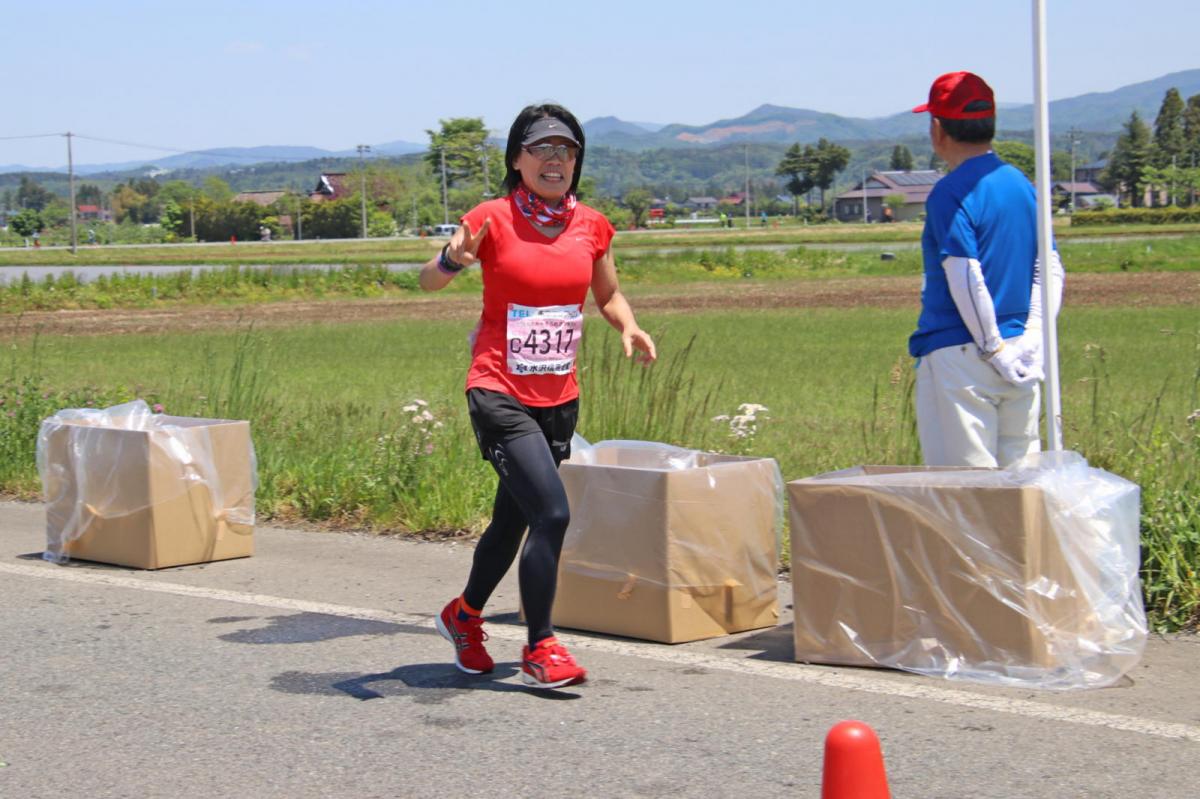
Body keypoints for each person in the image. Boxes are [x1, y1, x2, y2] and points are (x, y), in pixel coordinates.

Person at [419, 104, 657, 689]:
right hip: (498, 388)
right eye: (542, 149)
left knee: (513, 519)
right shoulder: (491, 219)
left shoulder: (592, 226)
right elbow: (428, 279)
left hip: (558, 396)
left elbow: (608, 295)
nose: (556, 160)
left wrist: (627, 324)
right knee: (551, 513)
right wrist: (452, 259)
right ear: (517, 159)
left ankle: (464, 616)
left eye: (567, 150)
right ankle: (541, 646)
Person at [908, 71, 1064, 468]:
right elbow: (1050, 267)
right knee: (1020, 482)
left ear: (937, 129)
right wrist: (1033, 337)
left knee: (965, 492)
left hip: (961, 354)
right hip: (1022, 355)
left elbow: (964, 272)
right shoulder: (1021, 184)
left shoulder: (950, 191)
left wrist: (992, 347)